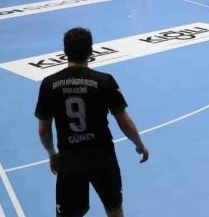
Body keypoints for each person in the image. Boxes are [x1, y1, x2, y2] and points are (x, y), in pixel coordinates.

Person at [35, 27, 149, 217]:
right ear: (91, 51)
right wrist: (139, 144)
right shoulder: (105, 81)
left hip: (69, 161)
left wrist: (52, 153)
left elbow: (43, 130)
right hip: (103, 158)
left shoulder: (48, 84)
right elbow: (124, 122)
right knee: (114, 209)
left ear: (65, 52)